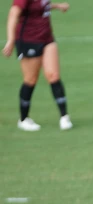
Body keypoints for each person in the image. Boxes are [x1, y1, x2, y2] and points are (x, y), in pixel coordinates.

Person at [3, 0, 72, 131]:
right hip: (28, 40)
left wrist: (57, 6)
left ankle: (64, 116)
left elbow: (40, 6)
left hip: (46, 38)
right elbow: (13, 13)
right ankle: (23, 119)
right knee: (30, 79)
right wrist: (11, 40)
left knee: (54, 75)